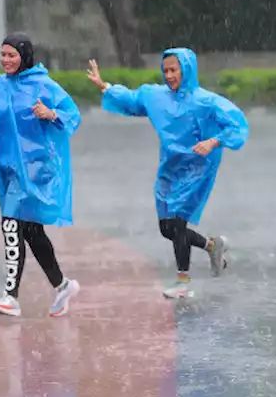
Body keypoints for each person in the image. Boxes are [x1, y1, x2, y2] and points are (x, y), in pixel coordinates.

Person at [87, 48, 249, 299]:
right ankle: (213, 246)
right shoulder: (156, 96)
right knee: (167, 228)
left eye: (174, 70)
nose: (169, 75)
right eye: (166, 71)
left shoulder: (205, 101)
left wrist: (213, 142)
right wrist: (104, 86)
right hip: (170, 165)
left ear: (187, 70)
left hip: (197, 166)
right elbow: (132, 101)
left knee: (177, 222)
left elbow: (236, 124)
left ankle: (183, 280)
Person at [0, 33, 82, 318]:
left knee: (10, 225)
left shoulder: (43, 85)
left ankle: (10, 297)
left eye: (11, 55)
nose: (6, 60)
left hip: (37, 168)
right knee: (30, 230)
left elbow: (72, 115)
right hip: (7, 169)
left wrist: (50, 113)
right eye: (3, 55)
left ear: (24, 56)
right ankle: (62, 285)